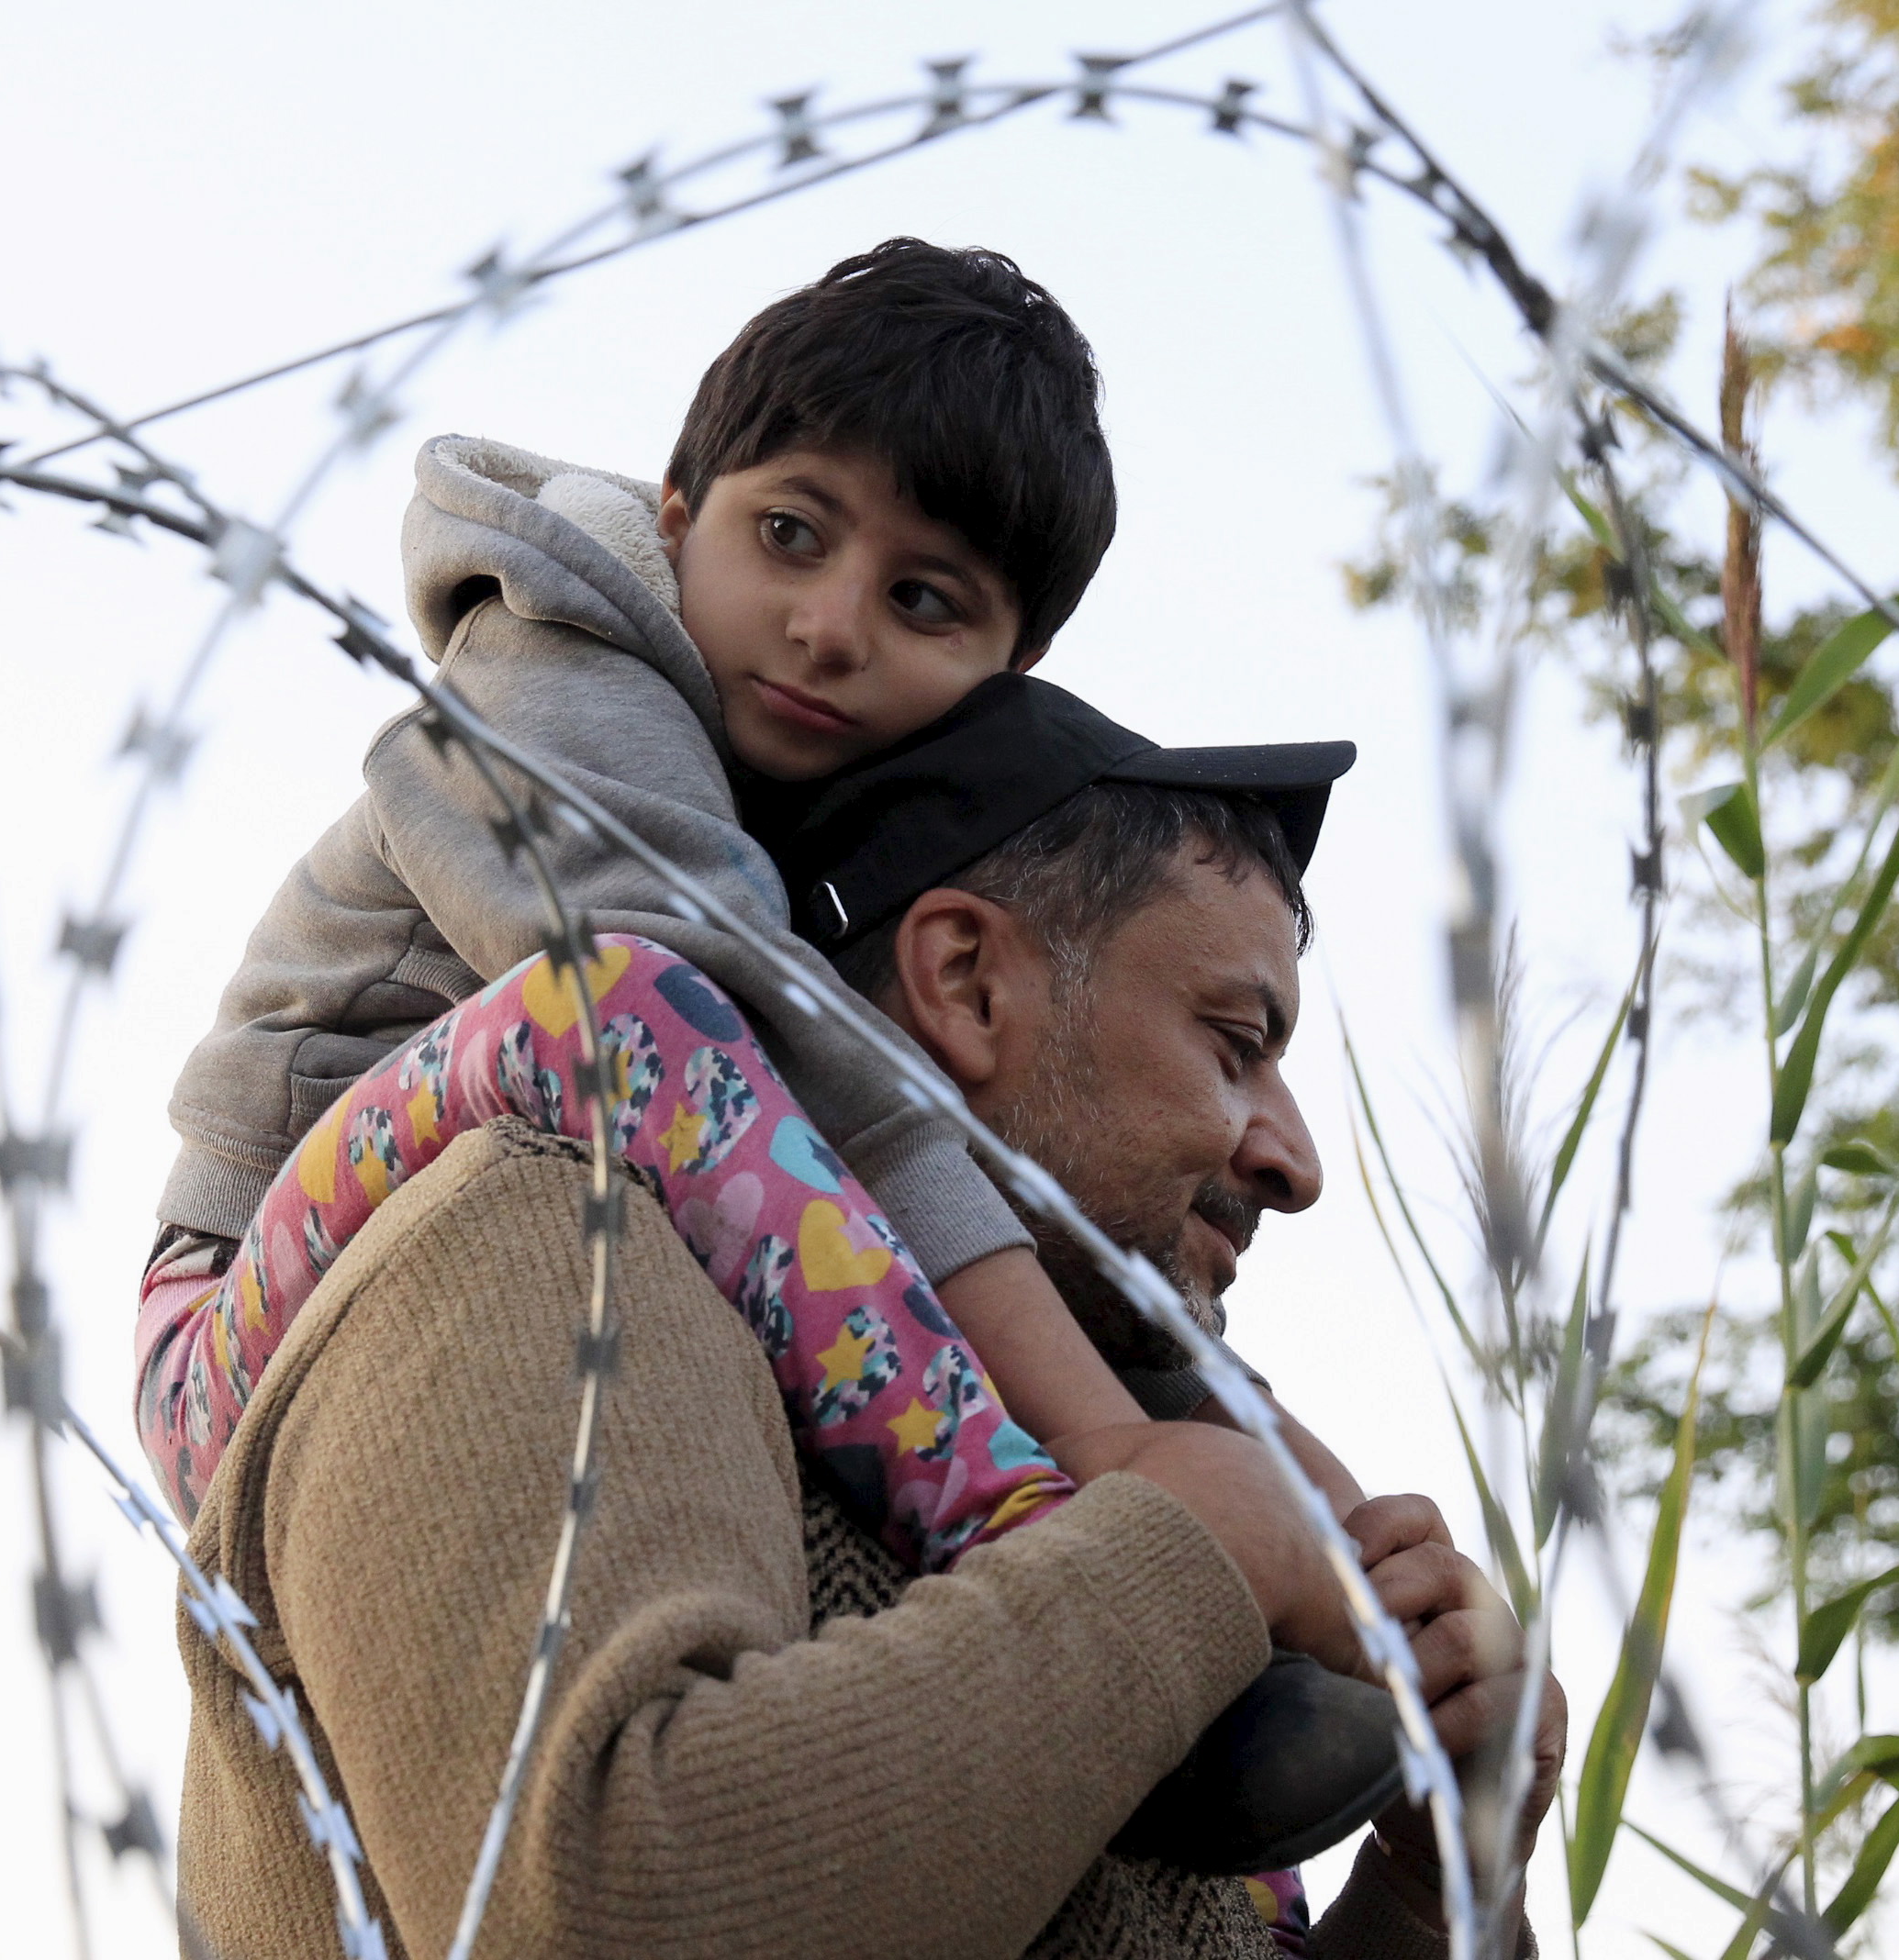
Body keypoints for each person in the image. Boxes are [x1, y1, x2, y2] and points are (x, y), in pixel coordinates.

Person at [138, 236, 1393, 1830]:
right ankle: (1025, 1537)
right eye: (789, 535)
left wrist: (1341, 1535)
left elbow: (971, 1198)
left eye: (921, 600)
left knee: (995, 1217)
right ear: (678, 521)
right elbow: (730, 1020)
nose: (827, 625)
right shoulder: (551, 671)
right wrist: (1098, 1451)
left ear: (1008, 673)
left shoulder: (814, 831)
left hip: (517, 1199)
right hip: (247, 1311)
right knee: (655, 1009)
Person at [169, 688, 1566, 1958]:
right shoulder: (550, 1236)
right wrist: (1182, 1553)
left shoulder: (1112, 1505)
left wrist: (1436, 1884)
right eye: (1234, 1043)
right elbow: (602, 1913)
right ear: (964, 980)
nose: (1296, 1160)